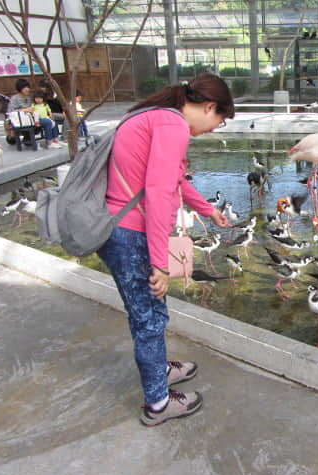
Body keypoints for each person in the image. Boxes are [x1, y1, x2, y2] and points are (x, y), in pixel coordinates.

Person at [96, 73, 234, 427]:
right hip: (129, 236)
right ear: (209, 107)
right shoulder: (173, 125)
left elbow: (174, 180)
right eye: (218, 122)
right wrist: (159, 263)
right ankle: (157, 403)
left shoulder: (156, 115)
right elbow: (157, 194)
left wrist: (207, 210)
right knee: (148, 321)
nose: (214, 129)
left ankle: (159, 371)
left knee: (150, 315)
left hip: (119, 230)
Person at [7, 78, 60, 148]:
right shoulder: (14, 99)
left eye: (28, 87)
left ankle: (55, 140)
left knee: (51, 120)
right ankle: (49, 142)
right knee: (48, 122)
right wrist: (26, 109)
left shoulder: (28, 98)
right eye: (25, 88)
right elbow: (11, 112)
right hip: (22, 121)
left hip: (32, 118)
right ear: (20, 88)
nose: (27, 89)